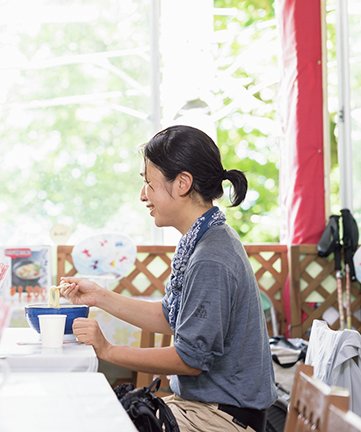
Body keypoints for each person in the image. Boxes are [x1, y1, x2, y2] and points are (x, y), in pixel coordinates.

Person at [61, 125, 277, 432]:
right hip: (203, 406)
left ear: (182, 183)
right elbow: (169, 316)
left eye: (149, 183)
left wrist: (108, 350)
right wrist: (98, 296)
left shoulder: (211, 256)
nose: (142, 195)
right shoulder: (205, 239)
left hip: (222, 418)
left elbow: (189, 359)